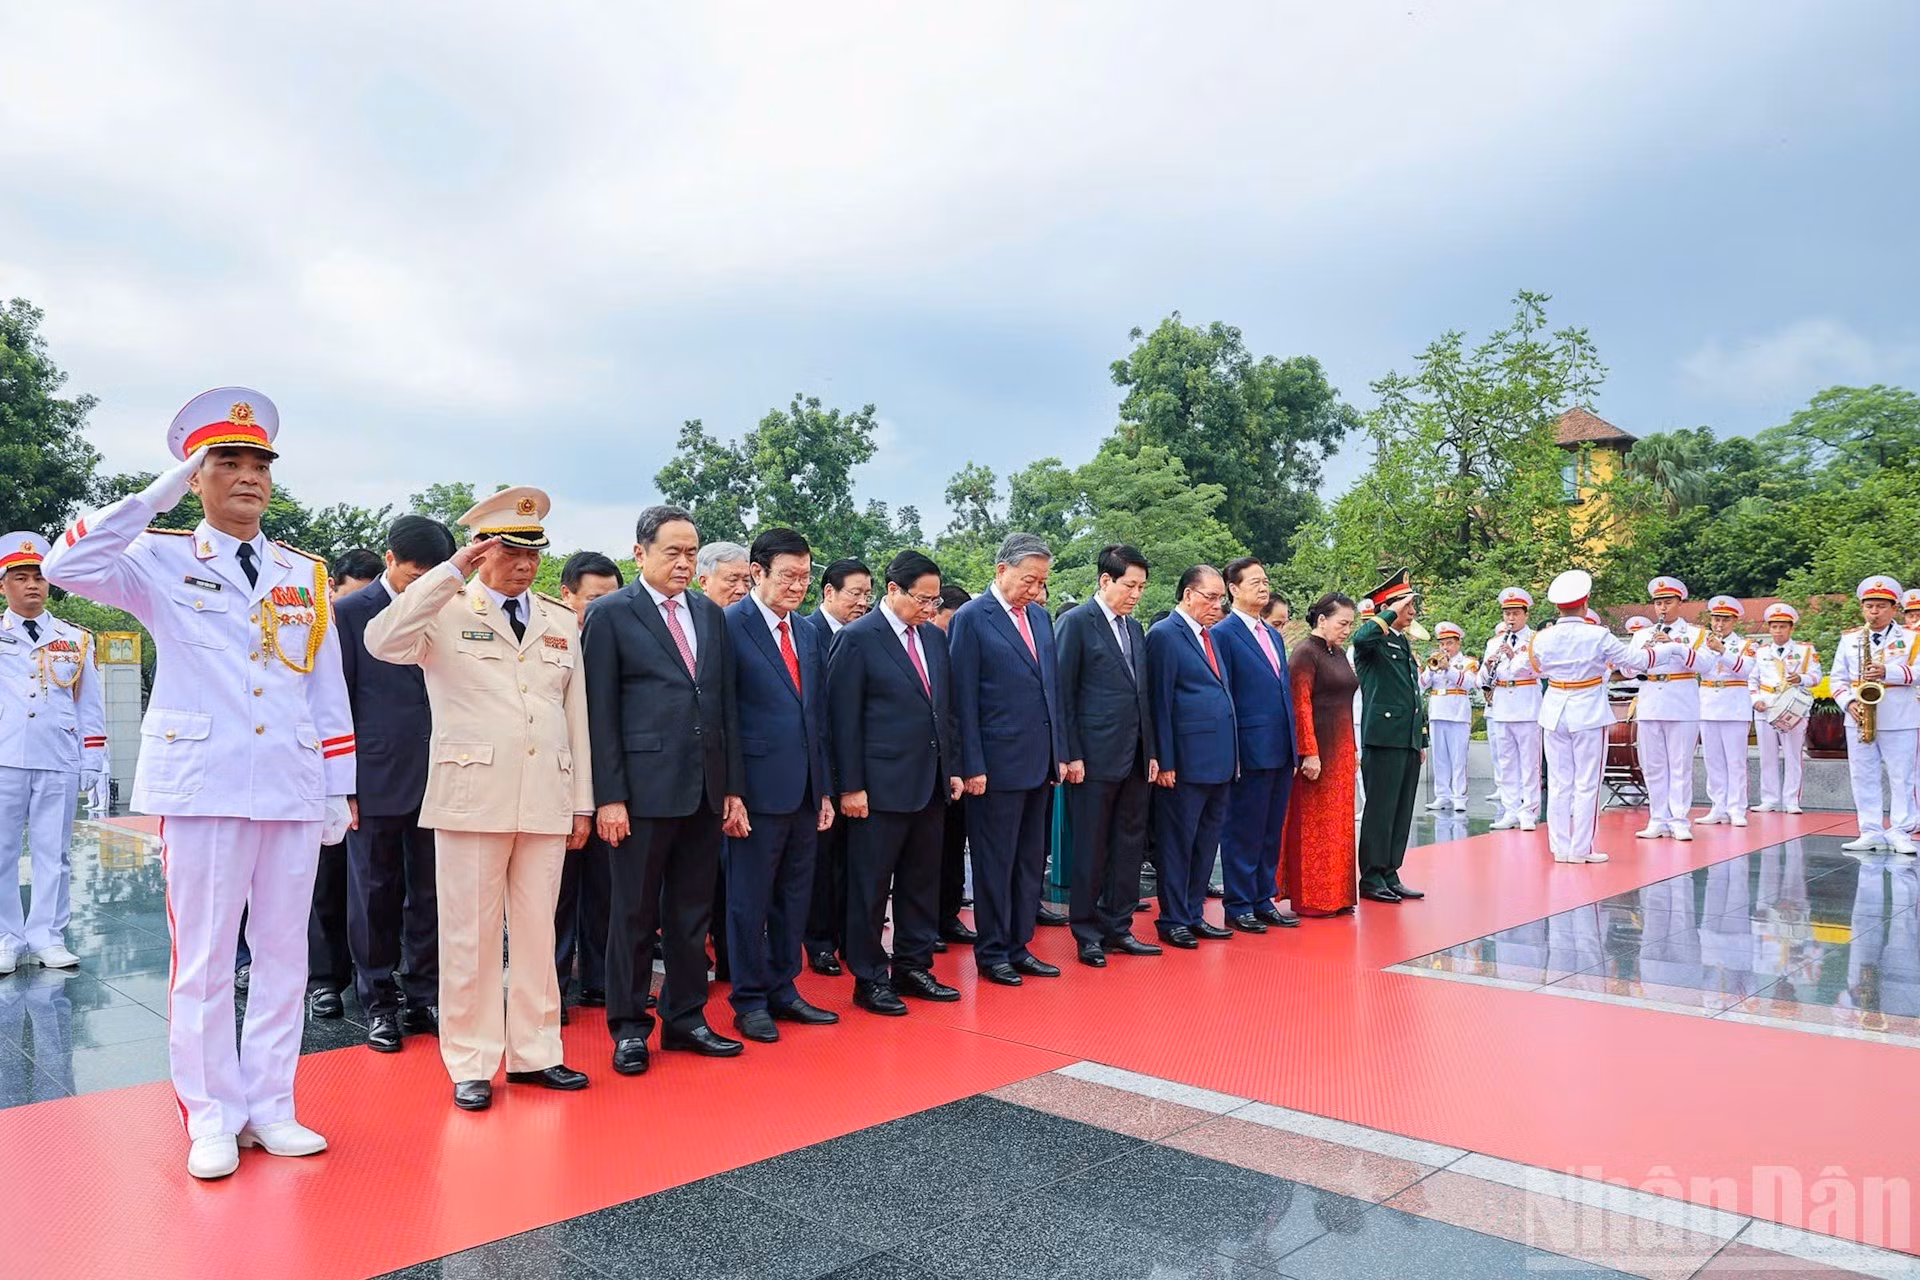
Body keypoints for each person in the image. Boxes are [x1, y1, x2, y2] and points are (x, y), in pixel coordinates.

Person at [45, 388, 354, 1179]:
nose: (247, 477)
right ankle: (213, 1113)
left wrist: (335, 784)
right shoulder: (157, 555)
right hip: (204, 782)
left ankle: (273, 1105)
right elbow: (64, 564)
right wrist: (159, 492)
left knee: (286, 955)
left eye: (259, 465)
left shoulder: (303, 573)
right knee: (207, 958)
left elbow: (323, 685)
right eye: (226, 463)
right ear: (197, 473)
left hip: (288, 780)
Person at [366, 487, 594, 1112]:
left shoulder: (559, 619)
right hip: (472, 795)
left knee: (536, 933)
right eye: (510, 550)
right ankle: (470, 1059)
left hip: (545, 794)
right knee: (466, 935)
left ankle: (535, 1052)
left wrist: (583, 801)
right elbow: (381, 640)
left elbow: (573, 713)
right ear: (483, 550)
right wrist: (449, 572)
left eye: (533, 553)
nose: (524, 564)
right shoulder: (443, 607)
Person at [585, 505, 748, 1076]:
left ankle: (686, 1019)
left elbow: (723, 705)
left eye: (690, 552)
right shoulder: (610, 615)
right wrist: (609, 797)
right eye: (672, 552)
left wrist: (732, 788)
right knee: (631, 916)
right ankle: (629, 1027)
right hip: (640, 793)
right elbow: (598, 713)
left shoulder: (709, 613)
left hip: (703, 790)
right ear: (640, 553)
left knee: (690, 913)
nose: (683, 563)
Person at [332, 519, 454, 1052]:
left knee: (431, 893)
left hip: (444, 773)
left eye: (434, 575)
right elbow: (336, 702)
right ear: (389, 560)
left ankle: (424, 995)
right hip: (374, 775)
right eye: (414, 574)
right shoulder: (348, 614)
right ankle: (377, 999)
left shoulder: (450, 607)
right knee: (374, 893)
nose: (422, 584)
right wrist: (341, 782)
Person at [826, 550, 964, 1015]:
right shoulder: (858, 639)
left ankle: (913, 964)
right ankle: (869, 976)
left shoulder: (934, 640)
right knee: (869, 886)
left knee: (921, 880)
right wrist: (850, 786)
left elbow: (944, 711)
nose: (929, 608)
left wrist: (954, 768)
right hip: (878, 788)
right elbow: (842, 720)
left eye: (934, 599)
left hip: (928, 782)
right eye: (922, 599)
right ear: (893, 590)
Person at [721, 527, 839, 1042]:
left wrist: (826, 789)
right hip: (753, 791)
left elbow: (818, 717)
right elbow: (721, 716)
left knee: (794, 896)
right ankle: (748, 999)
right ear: (757, 572)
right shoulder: (728, 626)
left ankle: (784, 988)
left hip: (805, 790)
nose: (798, 586)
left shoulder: (809, 632)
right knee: (749, 899)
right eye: (788, 576)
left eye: (806, 577)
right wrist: (731, 791)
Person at [949, 533, 1068, 987]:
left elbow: (1050, 692)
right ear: (1002, 570)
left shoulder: (1039, 618)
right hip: (994, 766)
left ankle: (1020, 945)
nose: (1035, 591)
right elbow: (962, 699)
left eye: (1040, 582)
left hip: (1039, 763)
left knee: (1029, 861)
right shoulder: (972, 618)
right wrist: (972, 764)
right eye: (1028, 580)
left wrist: (1060, 753)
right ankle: (993, 950)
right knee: (994, 862)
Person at [0, 532, 107, 975]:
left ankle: (48, 936)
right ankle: (6, 937)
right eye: (20, 577)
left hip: (57, 757)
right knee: (2, 852)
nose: (31, 586)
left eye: (39, 578)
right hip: (4, 759)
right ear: (3, 585)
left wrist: (92, 760)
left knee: (53, 853)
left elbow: (90, 704)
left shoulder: (75, 639)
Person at [1529, 571, 1688, 864]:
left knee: (1560, 782)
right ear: (1585, 603)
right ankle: (1581, 848)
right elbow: (1636, 661)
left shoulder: (1541, 638)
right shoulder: (1598, 634)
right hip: (1587, 710)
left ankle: (1560, 847)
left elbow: (1535, 668)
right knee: (1587, 783)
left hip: (1554, 710)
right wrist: (1668, 650)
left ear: (1557, 607)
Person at [1052, 546, 1161, 967]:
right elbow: (1064, 695)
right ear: (1105, 581)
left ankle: (1119, 925)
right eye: (1130, 585)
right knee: (1091, 847)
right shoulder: (1076, 623)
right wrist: (1071, 754)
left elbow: (1142, 695)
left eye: (1142, 587)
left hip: (1134, 755)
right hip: (1092, 759)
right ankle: (1087, 932)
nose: (1136, 594)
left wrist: (1151, 750)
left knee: (1129, 845)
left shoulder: (1134, 629)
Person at [306, 548, 384, 1023]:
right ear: (333, 588)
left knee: (373, 887)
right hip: (328, 766)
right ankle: (324, 980)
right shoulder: (322, 623)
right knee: (326, 881)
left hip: (376, 770)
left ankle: (373, 975)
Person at [1145, 565, 1237, 947]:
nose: (1217, 605)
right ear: (1187, 595)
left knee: (1205, 842)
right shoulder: (1166, 634)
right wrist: (1165, 760)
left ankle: (1194, 911)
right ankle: (1173, 918)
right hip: (1184, 761)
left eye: (1221, 599)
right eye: (1210, 597)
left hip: (1218, 759)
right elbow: (1159, 702)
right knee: (1178, 842)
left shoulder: (1210, 636)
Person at [1213, 557, 1301, 933]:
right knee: (1243, 828)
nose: (1264, 588)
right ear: (1233, 589)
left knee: (1270, 827)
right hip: (1248, 746)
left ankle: (1263, 897)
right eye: (1255, 582)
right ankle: (1239, 903)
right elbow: (1226, 695)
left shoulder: (1274, 635)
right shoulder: (1224, 633)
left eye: (1266, 581)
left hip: (1280, 746)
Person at [553, 552, 623, 1013]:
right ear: (568, 596)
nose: (603, 611)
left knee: (606, 892)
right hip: (555, 787)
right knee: (554, 896)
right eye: (594, 601)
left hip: (609, 787)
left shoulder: (624, 640)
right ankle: (551, 989)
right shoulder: (551, 639)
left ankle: (600, 980)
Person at [803, 557, 873, 976]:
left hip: (862, 768)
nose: (863, 602)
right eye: (855, 594)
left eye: (869, 594)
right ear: (828, 592)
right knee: (821, 862)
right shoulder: (807, 633)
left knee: (857, 859)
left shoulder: (866, 637)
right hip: (821, 769)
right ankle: (820, 940)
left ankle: (854, 934)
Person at [694, 540, 753, 984]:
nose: (740, 588)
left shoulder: (747, 627)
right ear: (703, 579)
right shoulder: (692, 625)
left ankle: (734, 963)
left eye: (745, 580)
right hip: (685, 777)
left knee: (735, 879)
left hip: (736, 771)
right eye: (731, 580)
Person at [1352, 570, 1428, 904]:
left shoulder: (1401, 640)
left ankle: (1390, 871)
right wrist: (1389, 610)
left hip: (1405, 737)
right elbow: (1362, 637)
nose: (1412, 611)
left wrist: (1421, 738)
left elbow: (1413, 694)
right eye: (1407, 605)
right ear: (1389, 606)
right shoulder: (1375, 640)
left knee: (1400, 809)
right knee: (1380, 809)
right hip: (1383, 737)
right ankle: (1370, 876)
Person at [1282, 594, 1360, 916]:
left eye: (1350, 625)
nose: (1346, 630)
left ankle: (1338, 895)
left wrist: (1353, 749)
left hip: (1342, 747)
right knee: (1316, 826)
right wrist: (1308, 753)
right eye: (1342, 623)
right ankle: (1313, 898)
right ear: (1322, 620)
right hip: (1319, 749)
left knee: (1341, 825)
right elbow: (1300, 705)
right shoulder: (1304, 653)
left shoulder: (1338, 653)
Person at [1831, 576, 1919, 855]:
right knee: (1863, 775)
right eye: (1869, 606)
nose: (1874, 612)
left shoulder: (1912, 638)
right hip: (1859, 716)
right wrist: (1848, 703)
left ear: (1894, 608)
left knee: (1901, 775)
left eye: (1881, 606)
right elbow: (1837, 679)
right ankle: (1869, 830)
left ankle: (1901, 830)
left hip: (1900, 716)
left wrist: (1888, 672)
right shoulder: (1849, 639)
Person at [1630, 577, 1721, 842]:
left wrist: (1675, 648)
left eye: (1668, 602)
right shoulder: (1640, 635)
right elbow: (1627, 669)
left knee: (1680, 764)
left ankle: (1679, 819)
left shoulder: (1696, 634)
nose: (1662, 608)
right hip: (1650, 702)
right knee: (1653, 765)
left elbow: (1705, 665)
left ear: (1680, 603)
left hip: (1681, 703)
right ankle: (1657, 817)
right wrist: (1643, 655)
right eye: (1658, 603)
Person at [930, 584, 977, 947]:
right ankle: (927, 921)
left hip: (957, 763)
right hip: (922, 767)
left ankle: (948, 914)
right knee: (928, 851)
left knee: (953, 843)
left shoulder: (960, 645)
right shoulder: (926, 642)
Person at [1748, 602, 1821, 815]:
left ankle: (1791, 800)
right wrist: (1755, 700)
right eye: (1774, 627)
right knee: (1767, 755)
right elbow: (1752, 680)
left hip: (1794, 706)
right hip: (1767, 705)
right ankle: (1769, 798)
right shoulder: (1760, 652)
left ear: (1791, 628)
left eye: (1782, 627)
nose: (1778, 631)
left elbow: (1817, 676)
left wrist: (1802, 678)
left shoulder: (1805, 650)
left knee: (1792, 754)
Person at [1482, 587, 1543, 831]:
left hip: (1527, 704)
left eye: (1515, 613)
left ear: (1525, 615)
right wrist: (1488, 666)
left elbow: (1540, 670)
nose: (1510, 618)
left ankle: (1528, 811)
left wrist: (1514, 656)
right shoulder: (1494, 642)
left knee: (1529, 763)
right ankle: (1509, 810)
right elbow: (1482, 680)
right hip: (1502, 707)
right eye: (1507, 613)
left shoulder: (1535, 640)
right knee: (1506, 761)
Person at [1697, 596, 1756, 828]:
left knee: (1735, 760)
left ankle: (1737, 807)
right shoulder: (1702, 643)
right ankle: (1718, 806)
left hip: (1734, 705)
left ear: (1734, 621)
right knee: (1713, 760)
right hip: (1708, 703)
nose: (1719, 624)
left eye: (1724, 619)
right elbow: (1696, 666)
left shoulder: (1746, 645)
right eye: (1716, 618)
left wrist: (1722, 651)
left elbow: (1746, 670)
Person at [1419, 621, 1476, 814]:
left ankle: (1459, 796)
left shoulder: (1467, 663)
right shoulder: (1433, 661)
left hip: (1458, 713)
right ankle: (1442, 795)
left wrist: (1448, 669)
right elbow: (1421, 685)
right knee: (1440, 757)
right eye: (1442, 643)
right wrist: (1430, 669)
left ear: (1458, 643)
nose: (1445, 648)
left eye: (1449, 643)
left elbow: (1469, 684)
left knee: (1458, 758)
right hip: (1437, 712)